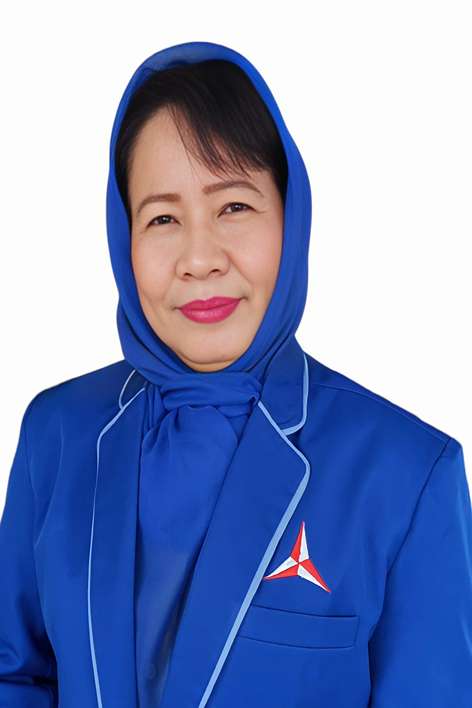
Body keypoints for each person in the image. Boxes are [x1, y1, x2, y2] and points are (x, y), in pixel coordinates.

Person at [0, 40, 471, 708]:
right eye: (163, 218)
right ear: (124, 237)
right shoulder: (57, 434)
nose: (199, 258)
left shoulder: (407, 475)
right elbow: (18, 674)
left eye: (234, 208)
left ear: (291, 218)